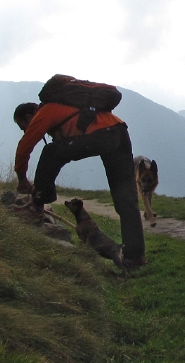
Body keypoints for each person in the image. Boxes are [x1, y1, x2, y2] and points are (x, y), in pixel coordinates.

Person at [12, 94, 146, 269]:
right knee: (125, 196)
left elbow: (25, 146)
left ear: (29, 117)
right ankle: (134, 257)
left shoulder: (44, 112)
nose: (25, 130)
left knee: (51, 152)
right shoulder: (62, 108)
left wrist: (22, 177)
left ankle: (36, 206)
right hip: (119, 131)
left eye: (23, 126)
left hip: (101, 135)